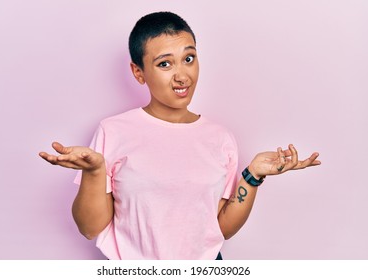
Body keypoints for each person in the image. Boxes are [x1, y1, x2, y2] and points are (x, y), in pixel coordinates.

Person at [39, 11, 321, 260]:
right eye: (165, 64)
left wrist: (253, 176)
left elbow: (221, 228)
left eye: (189, 59)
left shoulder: (220, 137)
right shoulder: (113, 131)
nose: (182, 76)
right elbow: (90, 229)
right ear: (139, 72)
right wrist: (94, 171)